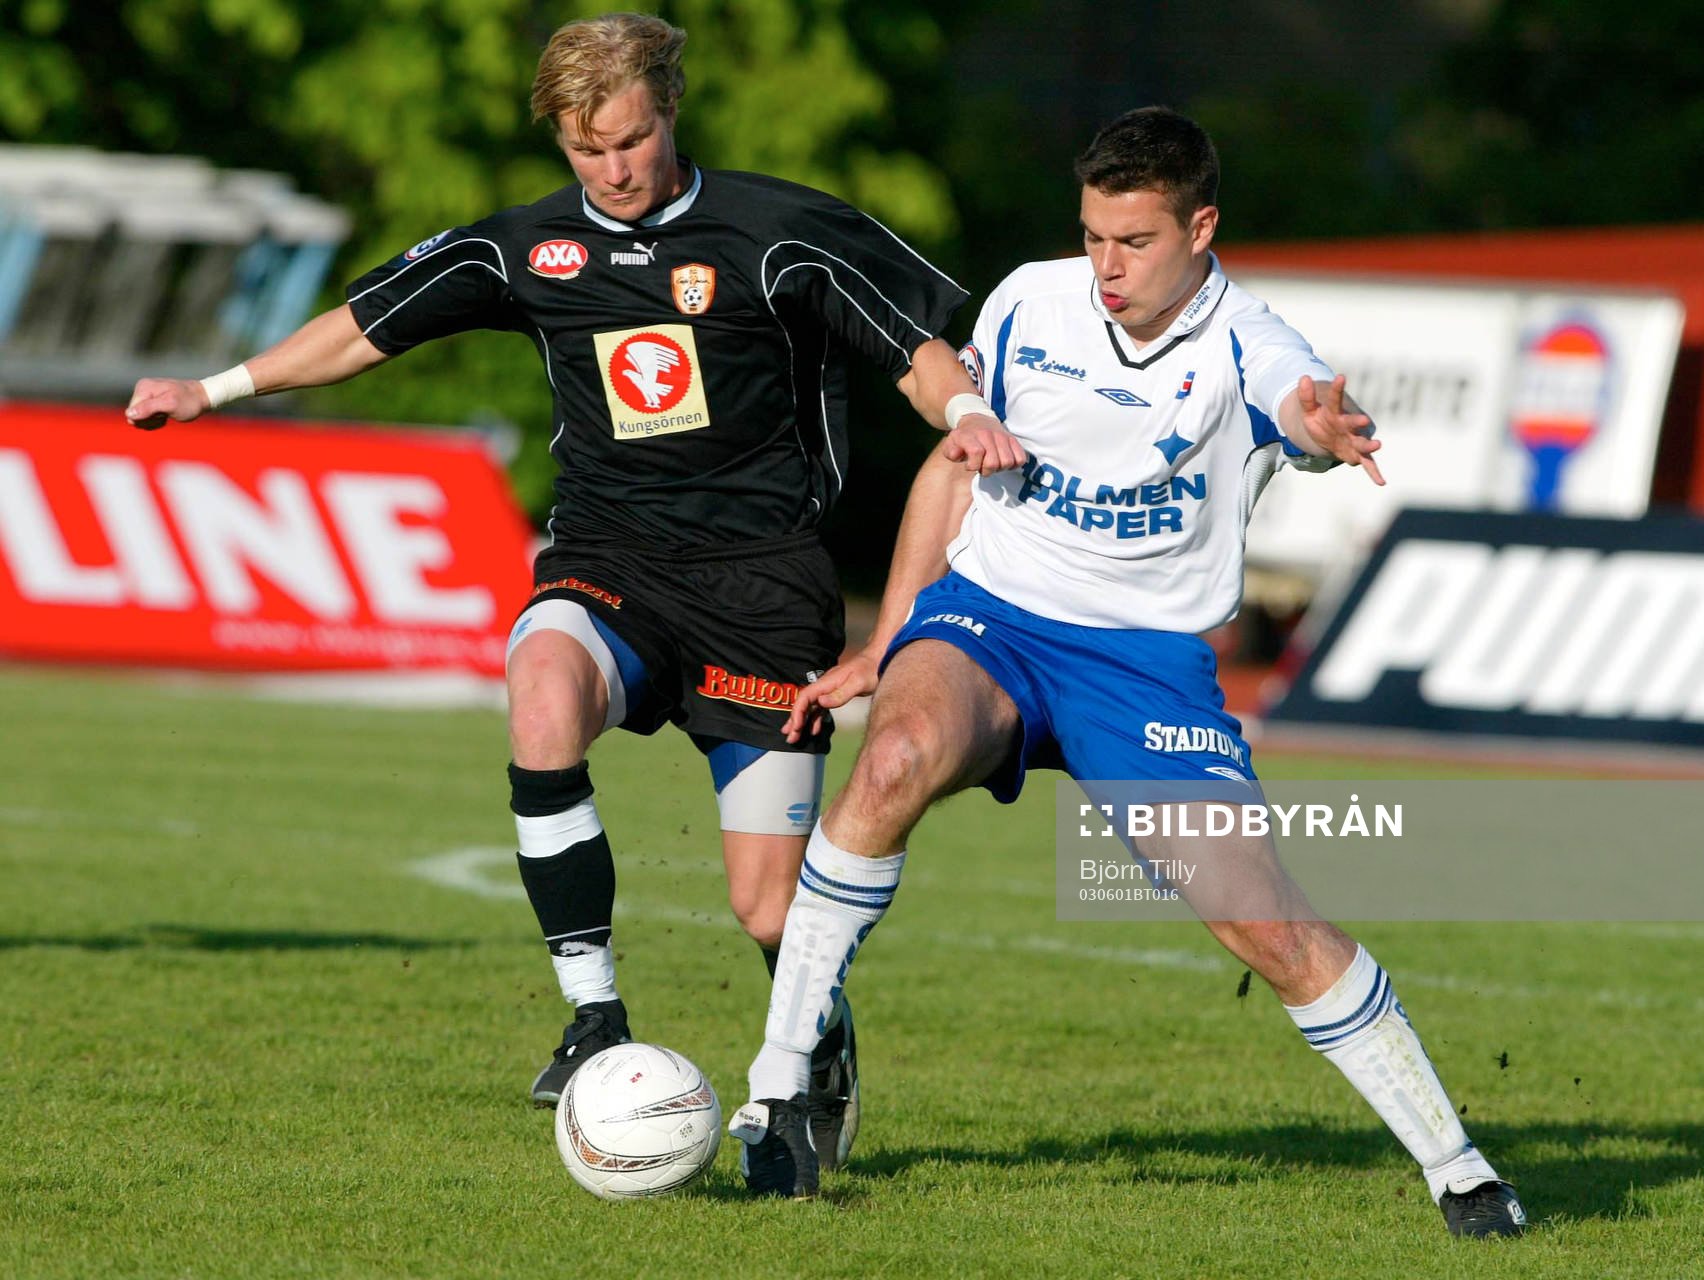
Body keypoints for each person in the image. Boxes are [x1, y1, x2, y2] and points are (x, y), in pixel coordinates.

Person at [123, 12, 1022, 1184]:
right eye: (586, 149)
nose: (613, 169)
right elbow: (366, 329)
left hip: (764, 589)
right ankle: (593, 1009)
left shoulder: (781, 231)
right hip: (608, 563)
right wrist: (214, 387)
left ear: (671, 109)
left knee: (767, 912)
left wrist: (965, 416)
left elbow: (915, 345)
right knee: (542, 687)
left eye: (634, 141)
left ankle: (817, 1042)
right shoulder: (524, 247)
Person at [729, 106, 1529, 1237]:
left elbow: (1300, 409)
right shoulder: (1028, 300)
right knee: (896, 755)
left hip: (1143, 669)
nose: (1107, 265)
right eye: (1096, 235)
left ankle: (1461, 1169)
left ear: (1202, 226)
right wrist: (892, 636)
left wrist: (1320, 424)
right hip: (991, 617)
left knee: (1271, 928)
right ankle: (777, 1097)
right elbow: (956, 468)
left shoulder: (1250, 341)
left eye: (1136, 240)